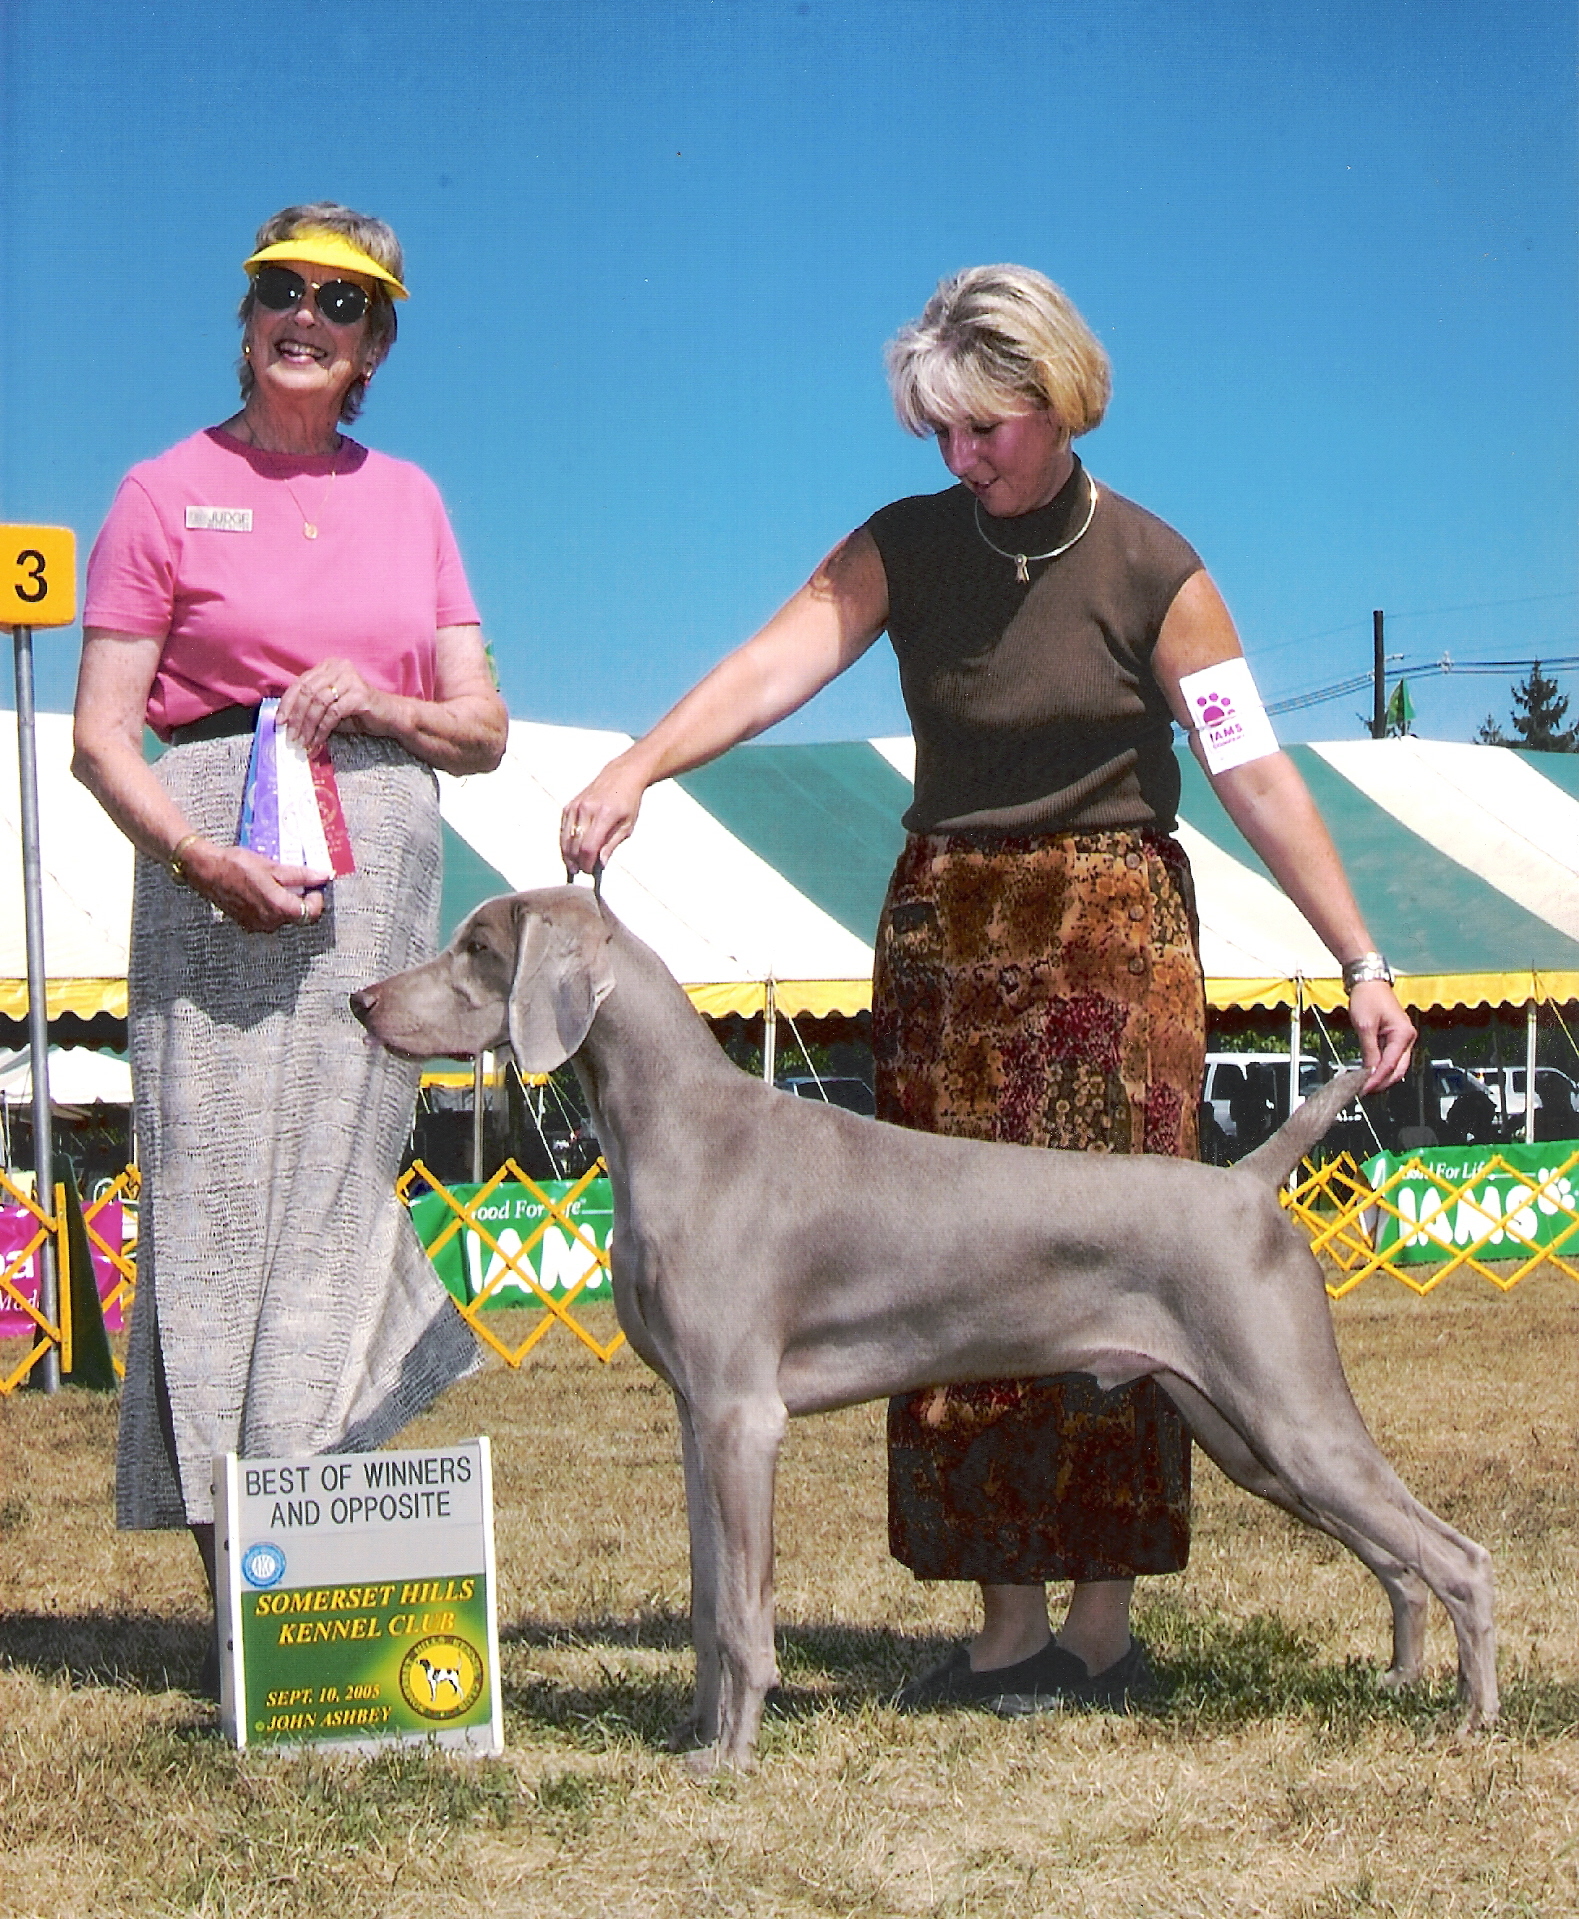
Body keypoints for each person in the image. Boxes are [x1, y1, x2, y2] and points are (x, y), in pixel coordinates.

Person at [559, 264, 1414, 1711]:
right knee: (941, 1291)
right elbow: (777, 666)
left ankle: (1101, 1626)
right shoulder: (903, 546)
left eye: (985, 431)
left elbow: (1250, 769)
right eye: (939, 437)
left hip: (1113, 954)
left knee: (1134, 1284)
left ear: (1060, 398)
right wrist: (640, 763)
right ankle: (1005, 1628)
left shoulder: (1157, 566)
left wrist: (1361, 955)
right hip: (951, 952)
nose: (962, 461)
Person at [72, 203, 508, 1678]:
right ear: (248, 316)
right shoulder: (159, 491)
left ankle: (322, 1582)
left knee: (333, 1200)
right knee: (211, 1210)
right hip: (211, 864)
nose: (308, 317)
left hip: (375, 866)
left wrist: (370, 701)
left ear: (378, 340)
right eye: (284, 293)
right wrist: (200, 855)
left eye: (345, 302)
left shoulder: (419, 503)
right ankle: (247, 1596)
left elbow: (485, 727)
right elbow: (99, 739)